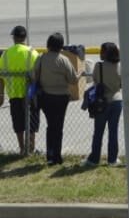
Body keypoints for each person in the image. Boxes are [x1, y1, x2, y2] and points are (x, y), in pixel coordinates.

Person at [31, 32, 79, 166]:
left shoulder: (41, 58)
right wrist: (80, 73)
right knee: (58, 127)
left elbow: (34, 76)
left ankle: (50, 155)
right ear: (61, 46)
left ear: (48, 45)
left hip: (46, 96)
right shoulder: (63, 60)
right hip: (61, 97)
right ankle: (57, 156)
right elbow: (73, 79)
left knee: (50, 126)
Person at [81, 42, 124, 167]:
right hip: (117, 100)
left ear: (106, 53)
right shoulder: (120, 66)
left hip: (102, 101)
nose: (100, 53)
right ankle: (112, 159)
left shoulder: (99, 66)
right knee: (113, 131)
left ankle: (94, 159)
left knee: (98, 131)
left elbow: (95, 80)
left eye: (102, 51)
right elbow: (121, 83)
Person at [1, 25, 40, 155]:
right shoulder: (32, 53)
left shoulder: (6, 54)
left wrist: (1, 94)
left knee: (18, 123)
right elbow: (38, 73)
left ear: (14, 38)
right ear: (25, 37)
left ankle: (22, 148)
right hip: (30, 94)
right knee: (32, 122)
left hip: (14, 94)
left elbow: (1, 77)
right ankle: (31, 148)